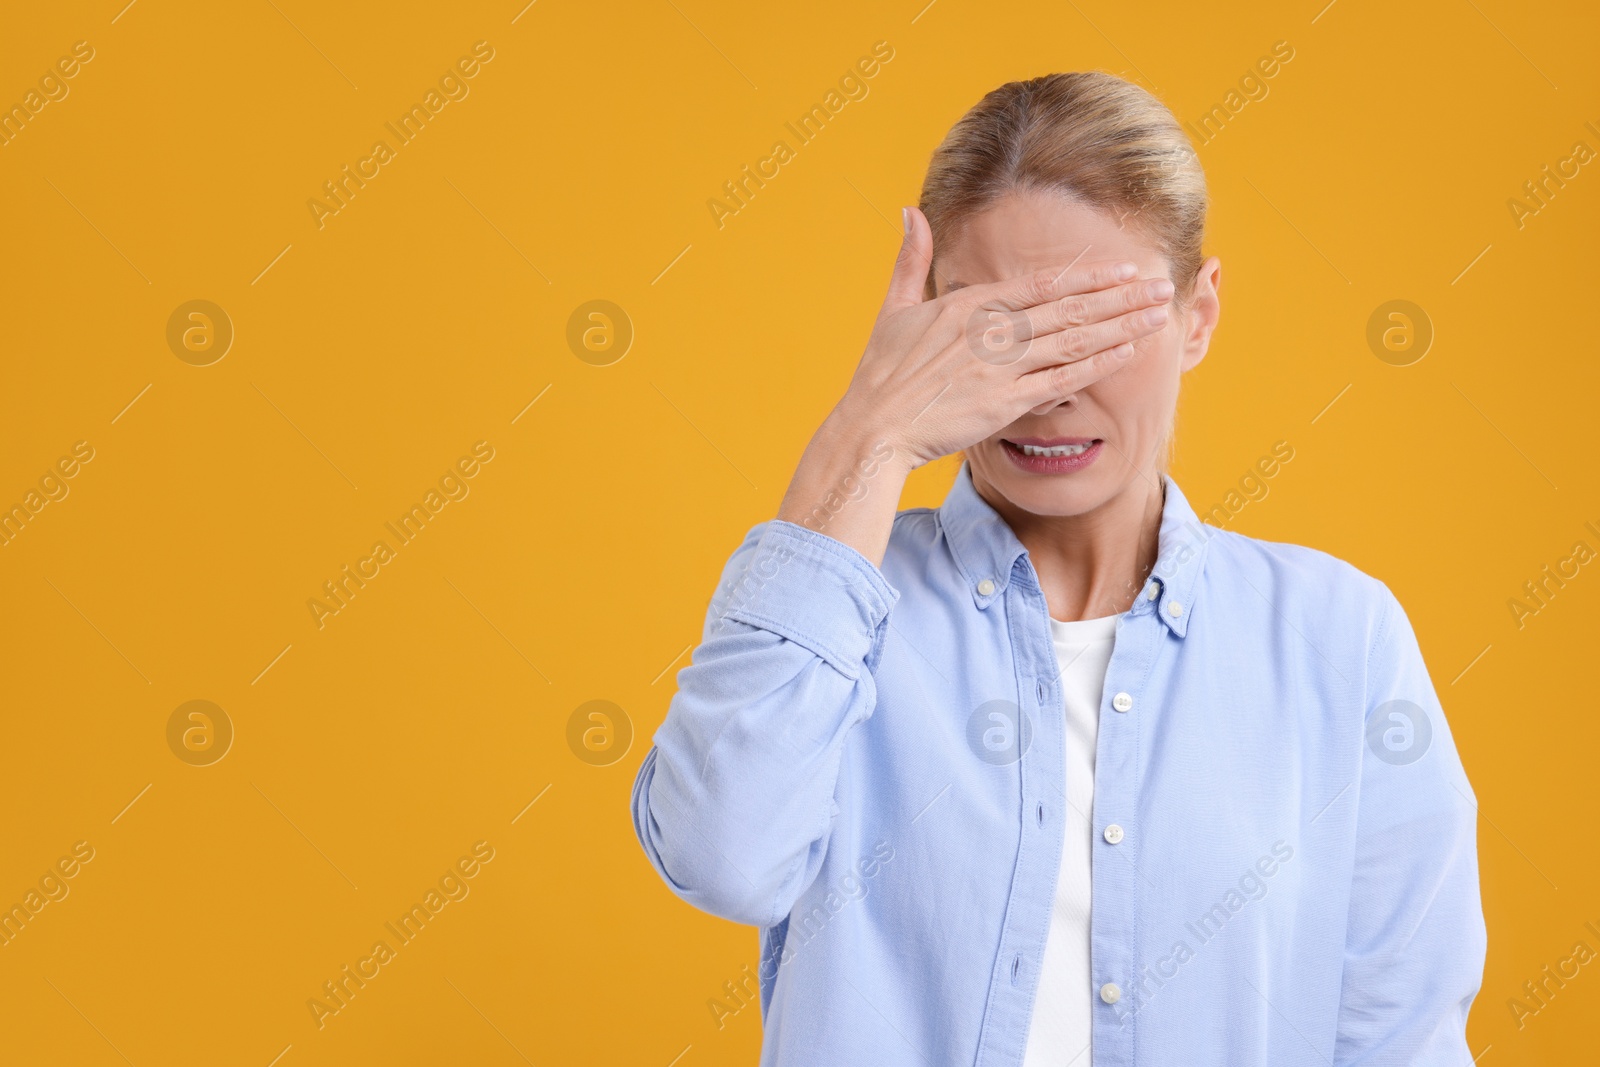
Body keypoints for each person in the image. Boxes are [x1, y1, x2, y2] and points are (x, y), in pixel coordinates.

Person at [630, 71, 1485, 1066]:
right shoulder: (841, 612)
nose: (1048, 392)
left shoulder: (1337, 638)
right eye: (997, 333)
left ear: (1197, 315)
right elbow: (719, 855)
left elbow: (1399, 1036)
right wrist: (868, 431)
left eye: (1100, 324)